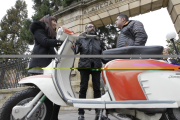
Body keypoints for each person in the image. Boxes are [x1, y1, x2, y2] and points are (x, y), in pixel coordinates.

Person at [28, 14, 63, 120]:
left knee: (57, 93)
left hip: (48, 66)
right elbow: (45, 42)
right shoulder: (39, 29)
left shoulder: (51, 34)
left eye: (56, 21)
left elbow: (52, 49)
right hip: (39, 66)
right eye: (54, 21)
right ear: (48, 21)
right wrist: (62, 42)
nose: (56, 23)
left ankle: (53, 117)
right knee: (41, 94)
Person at [73, 24, 109, 120]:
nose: (92, 27)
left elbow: (104, 55)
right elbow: (76, 51)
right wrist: (75, 46)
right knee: (83, 88)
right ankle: (81, 114)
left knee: (97, 88)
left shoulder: (98, 41)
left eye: (93, 26)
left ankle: (99, 113)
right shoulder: (81, 40)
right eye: (89, 27)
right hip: (84, 66)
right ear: (85, 30)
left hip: (96, 66)